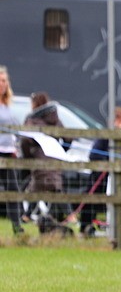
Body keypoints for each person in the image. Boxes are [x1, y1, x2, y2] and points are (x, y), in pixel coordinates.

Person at [79, 107, 121, 236]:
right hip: (106, 178)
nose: (117, 124)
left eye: (120, 120)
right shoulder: (104, 138)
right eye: (114, 121)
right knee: (92, 189)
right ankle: (85, 227)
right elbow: (93, 156)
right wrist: (109, 137)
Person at [19, 92, 71, 233]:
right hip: (55, 158)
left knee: (36, 186)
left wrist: (28, 156)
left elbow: (24, 140)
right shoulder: (55, 119)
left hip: (39, 158)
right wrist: (61, 151)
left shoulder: (32, 120)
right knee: (56, 186)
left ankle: (27, 215)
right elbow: (68, 137)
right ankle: (69, 215)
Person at [0, 65, 25, 234]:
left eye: (4, 80)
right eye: (0, 81)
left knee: (13, 190)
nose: (2, 84)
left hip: (9, 152)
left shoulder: (8, 105)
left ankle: (18, 228)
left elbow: (14, 129)